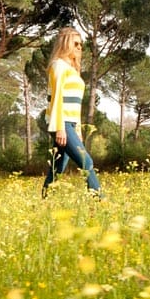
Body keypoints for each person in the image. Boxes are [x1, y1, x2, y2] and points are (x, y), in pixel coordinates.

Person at [42, 27, 102, 199]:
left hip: (70, 124)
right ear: (65, 43)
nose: (79, 47)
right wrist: (60, 127)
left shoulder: (73, 70)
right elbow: (56, 99)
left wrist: (77, 130)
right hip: (61, 123)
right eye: (75, 43)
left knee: (58, 167)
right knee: (86, 161)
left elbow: (75, 105)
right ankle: (99, 199)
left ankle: (45, 201)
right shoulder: (58, 66)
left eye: (81, 45)